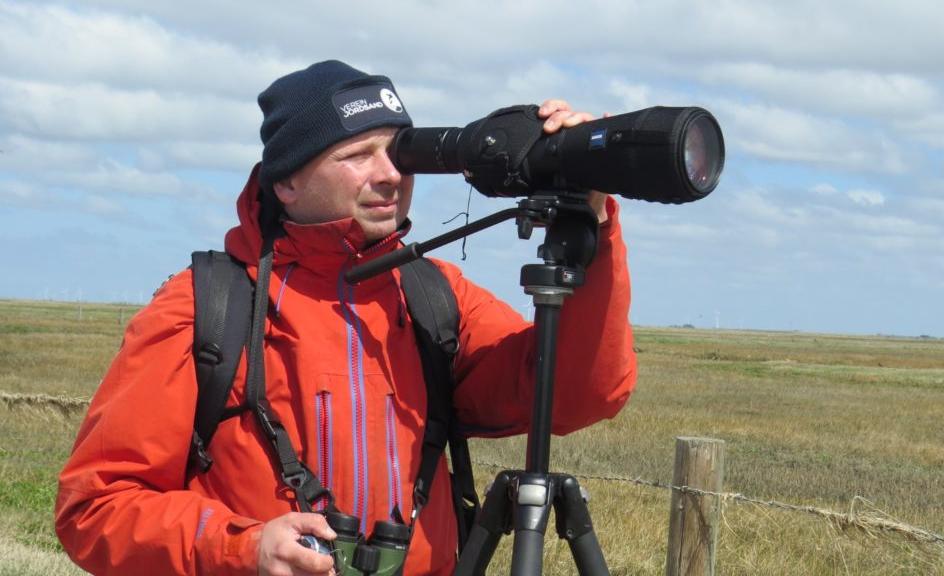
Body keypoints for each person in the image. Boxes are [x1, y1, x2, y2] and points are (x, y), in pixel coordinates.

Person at [55, 60, 636, 576]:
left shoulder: (435, 299)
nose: (389, 174)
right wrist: (243, 550)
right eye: (357, 156)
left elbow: (576, 394)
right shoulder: (206, 306)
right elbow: (94, 507)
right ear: (286, 181)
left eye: (400, 152)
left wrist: (593, 222)